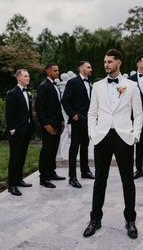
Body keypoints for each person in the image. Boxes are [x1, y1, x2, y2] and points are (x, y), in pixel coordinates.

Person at [83, 49, 143, 239]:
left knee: (128, 181)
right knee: (100, 180)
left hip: (124, 137)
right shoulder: (98, 86)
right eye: (104, 62)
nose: (106, 65)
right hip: (102, 138)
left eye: (109, 61)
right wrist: (92, 133)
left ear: (119, 63)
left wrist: (135, 135)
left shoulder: (131, 86)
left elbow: (139, 114)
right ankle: (95, 219)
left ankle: (130, 220)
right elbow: (92, 113)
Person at [62, 61, 95, 189]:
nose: (90, 69)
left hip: (88, 120)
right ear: (81, 69)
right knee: (74, 148)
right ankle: (72, 177)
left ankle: (85, 171)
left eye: (90, 67)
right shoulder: (73, 82)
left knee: (85, 146)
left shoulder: (90, 84)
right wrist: (73, 115)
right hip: (77, 120)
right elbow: (65, 101)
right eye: (88, 67)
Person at [35, 64, 65, 188]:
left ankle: (51, 172)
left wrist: (62, 121)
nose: (57, 72)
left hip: (57, 123)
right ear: (48, 72)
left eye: (58, 70)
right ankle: (44, 177)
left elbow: (58, 106)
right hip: (49, 125)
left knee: (53, 149)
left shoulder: (55, 85)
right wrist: (46, 124)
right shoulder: (44, 86)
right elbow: (39, 108)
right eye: (55, 70)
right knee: (47, 151)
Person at [5, 69, 34, 196]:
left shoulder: (27, 92)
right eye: (25, 76)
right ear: (19, 78)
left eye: (28, 76)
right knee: (15, 158)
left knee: (22, 156)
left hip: (26, 130)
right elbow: (9, 113)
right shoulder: (12, 93)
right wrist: (12, 129)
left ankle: (19, 180)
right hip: (16, 132)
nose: (28, 78)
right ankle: (12, 185)